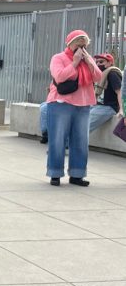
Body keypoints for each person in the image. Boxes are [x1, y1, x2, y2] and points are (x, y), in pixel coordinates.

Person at [46, 29, 103, 187]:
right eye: (78, 43)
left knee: (80, 140)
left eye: (84, 45)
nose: (81, 47)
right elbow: (60, 76)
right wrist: (75, 62)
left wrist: (89, 62)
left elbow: (98, 77)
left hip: (83, 104)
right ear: (69, 43)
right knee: (57, 140)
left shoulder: (88, 59)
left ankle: (77, 174)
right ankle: (55, 173)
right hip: (60, 103)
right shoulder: (58, 58)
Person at [89, 53, 123, 132]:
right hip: (97, 105)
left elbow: (119, 92)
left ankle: (66, 143)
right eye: (96, 62)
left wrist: (122, 109)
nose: (98, 64)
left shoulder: (112, 73)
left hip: (108, 107)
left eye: (101, 62)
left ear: (110, 63)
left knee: (84, 126)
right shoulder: (100, 75)